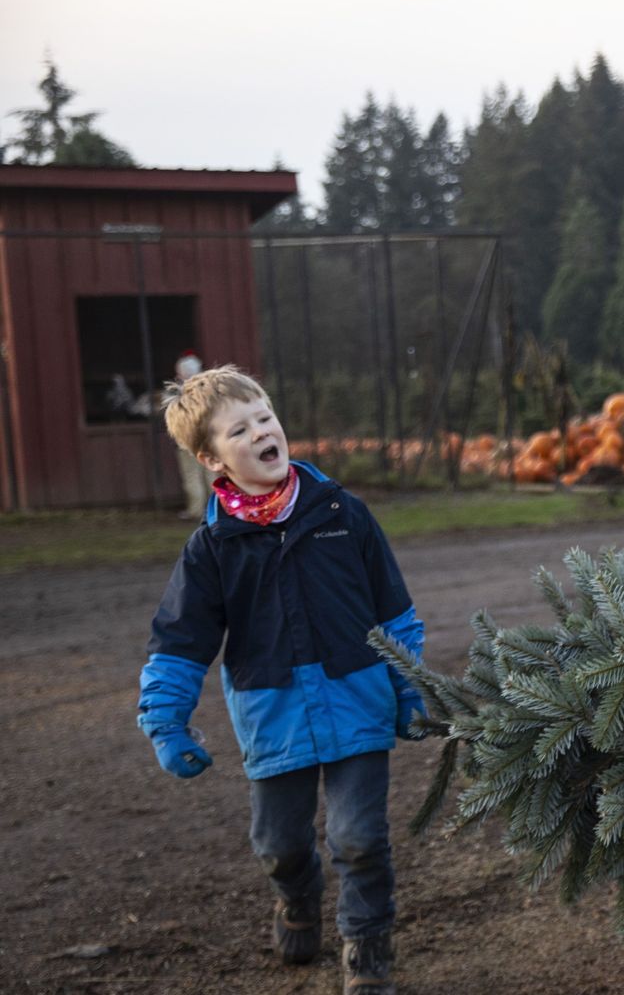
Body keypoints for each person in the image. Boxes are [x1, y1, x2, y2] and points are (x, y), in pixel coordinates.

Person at [136, 365, 426, 995]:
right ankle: (298, 898)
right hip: (274, 716)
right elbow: (180, 641)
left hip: (358, 702)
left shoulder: (343, 514)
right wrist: (166, 722)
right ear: (213, 458)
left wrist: (409, 688)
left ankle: (367, 951)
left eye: (265, 416)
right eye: (240, 429)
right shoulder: (213, 547)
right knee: (279, 844)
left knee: (359, 838)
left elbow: (394, 609)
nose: (263, 431)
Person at [174, 350, 211, 519]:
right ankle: (217, 508)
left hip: (187, 440)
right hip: (209, 439)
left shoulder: (179, 393)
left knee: (192, 476)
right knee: (211, 474)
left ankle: (196, 510)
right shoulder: (209, 390)